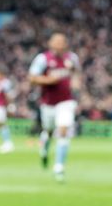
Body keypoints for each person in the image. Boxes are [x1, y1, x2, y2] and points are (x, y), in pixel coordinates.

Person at [28, 33, 81, 181]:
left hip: (66, 101)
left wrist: (76, 84)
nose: (59, 44)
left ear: (66, 44)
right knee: (49, 131)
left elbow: (77, 74)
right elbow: (32, 78)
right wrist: (48, 80)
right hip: (48, 103)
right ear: (50, 44)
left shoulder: (72, 58)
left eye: (62, 42)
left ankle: (59, 167)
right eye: (56, 42)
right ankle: (44, 148)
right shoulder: (43, 59)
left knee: (64, 130)